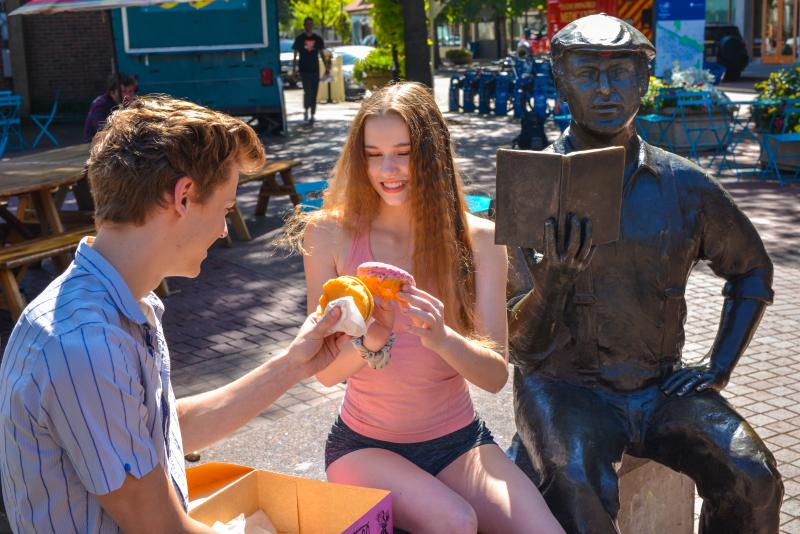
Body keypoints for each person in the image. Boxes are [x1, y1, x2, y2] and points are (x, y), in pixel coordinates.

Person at [0, 96, 347, 533]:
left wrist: (294, 365)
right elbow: (162, 527)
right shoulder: (87, 342)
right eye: (224, 208)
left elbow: (167, 432)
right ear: (183, 196)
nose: (225, 229)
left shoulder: (115, 304)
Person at [507, 14, 783, 533]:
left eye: (623, 73)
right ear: (561, 80)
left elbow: (751, 272)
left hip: (658, 388)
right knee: (575, 482)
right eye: (588, 73)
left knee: (753, 475)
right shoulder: (531, 186)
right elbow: (520, 347)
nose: (607, 89)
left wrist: (717, 366)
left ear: (645, 80)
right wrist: (555, 281)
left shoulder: (685, 186)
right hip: (566, 388)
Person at [295, 82, 564, 533]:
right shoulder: (328, 235)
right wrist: (372, 339)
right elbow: (323, 373)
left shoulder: (479, 240)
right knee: (456, 522)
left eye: (404, 152)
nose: (389, 169)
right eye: (373, 153)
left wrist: (442, 338)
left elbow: (494, 376)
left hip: (459, 441)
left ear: (432, 154)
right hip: (363, 446)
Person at [292, 17, 328, 124]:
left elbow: (322, 54)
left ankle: (312, 114)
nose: (309, 26)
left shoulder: (317, 39)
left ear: (313, 26)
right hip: (304, 70)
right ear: (304, 25)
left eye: (311, 24)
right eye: (307, 24)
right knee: (308, 91)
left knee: (314, 92)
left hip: (315, 69)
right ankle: (306, 110)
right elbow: (295, 55)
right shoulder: (300, 39)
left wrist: (327, 68)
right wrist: (294, 70)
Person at [83, 72, 138, 143]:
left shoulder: (132, 102)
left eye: (130, 91)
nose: (127, 95)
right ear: (112, 92)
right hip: (95, 145)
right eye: (123, 91)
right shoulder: (100, 105)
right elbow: (104, 131)